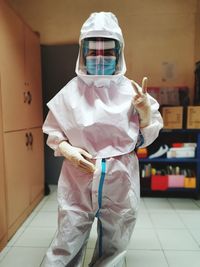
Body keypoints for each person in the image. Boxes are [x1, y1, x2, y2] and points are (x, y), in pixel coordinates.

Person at [42, 11, 163, 267]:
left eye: (107, 51)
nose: (99, 57)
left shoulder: (131, 91)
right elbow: (53, 132)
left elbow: (147, 135)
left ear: (119, 52)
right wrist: (67, 150)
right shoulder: (71, 92)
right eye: (93, 50)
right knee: (67, 239)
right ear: (83, 51)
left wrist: (145, 112)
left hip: (120, 179)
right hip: (78, 177)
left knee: (115, 244)